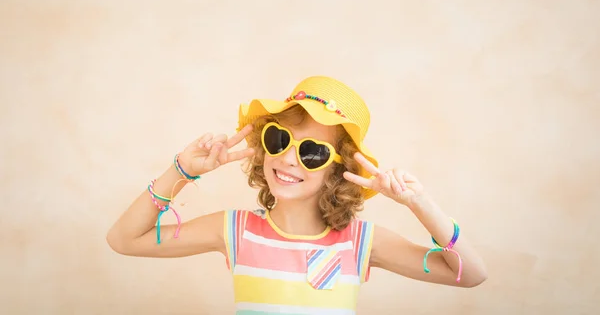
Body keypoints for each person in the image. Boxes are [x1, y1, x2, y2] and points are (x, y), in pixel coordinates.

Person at [107, 75, 487, 313]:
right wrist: (182, 171)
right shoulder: (234, 230)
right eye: (279, 139)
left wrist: (418, 203)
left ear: (338, 170)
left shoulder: (361, 242)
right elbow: (124, 239)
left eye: (312, 152)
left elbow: (470, 275)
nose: (289, 159)